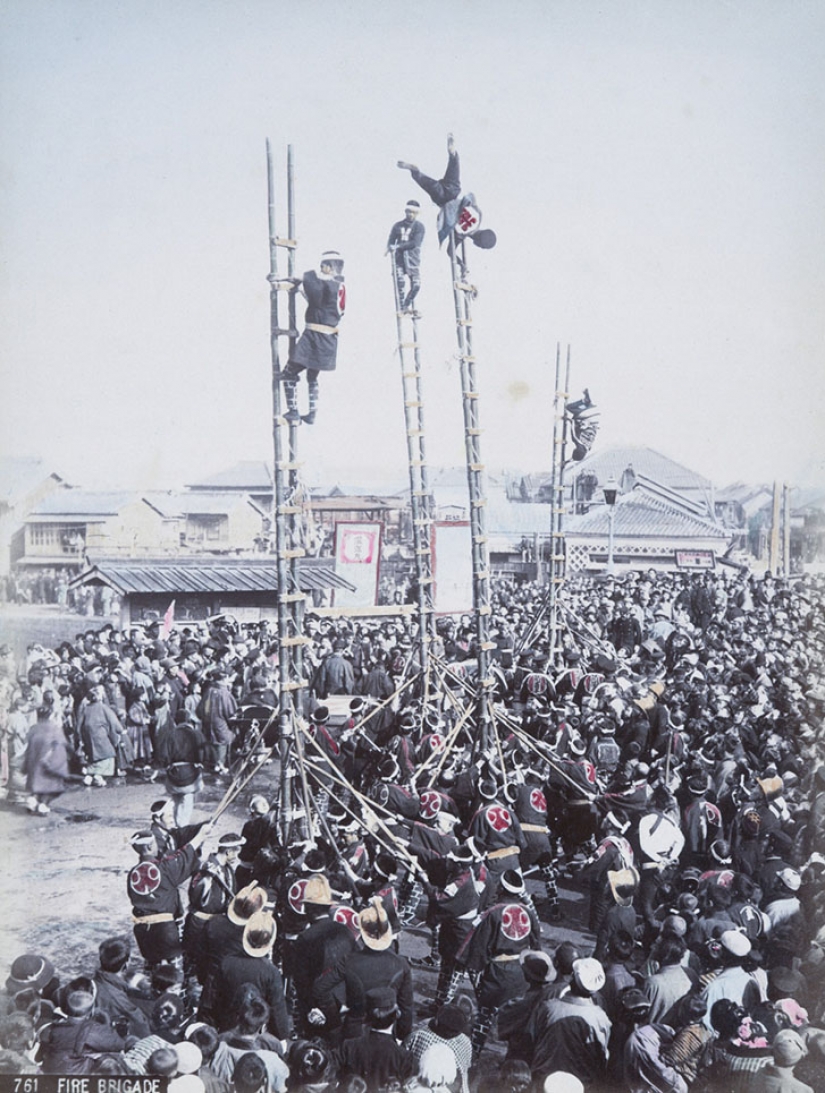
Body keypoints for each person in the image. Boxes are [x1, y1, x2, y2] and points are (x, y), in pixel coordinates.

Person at [282, 251, 346, 425]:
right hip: (329, 339)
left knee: (288, 373)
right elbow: (315, 300)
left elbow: (313, 288)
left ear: (330, 266)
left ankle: (293, 411)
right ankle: (312, 413)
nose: (321, 269)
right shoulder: (339, 285)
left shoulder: (328, 285)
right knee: (312, 375)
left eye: (324, 266)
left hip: (314, 337)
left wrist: (298, 278)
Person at [24, 694, 70, 814]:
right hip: (48, 764)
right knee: (54, 788)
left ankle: (32, 800)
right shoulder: (54, 728)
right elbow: (61, 743)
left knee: (38, 786)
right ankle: (43, 805)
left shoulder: (34, 728)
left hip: (34, 763)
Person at [386, 200, 425, 314]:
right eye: (409, 212)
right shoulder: (397, 226)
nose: (410, 214)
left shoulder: (419, 227)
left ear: (417, 213)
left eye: (413, 212)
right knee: (400, 283)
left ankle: (407, 303)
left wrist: (398, 246)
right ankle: (402, 306)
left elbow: (415, 242)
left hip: (413, 260)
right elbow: (391, 240)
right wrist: (390, 247)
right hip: (399, 260)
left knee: (416, 285)